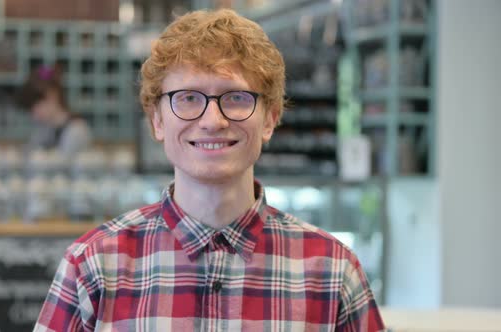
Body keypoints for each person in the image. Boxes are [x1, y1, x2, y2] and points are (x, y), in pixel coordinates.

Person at [34, 9, 385, 331]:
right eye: (188, 98)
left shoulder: (332, 273)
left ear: (271, 118)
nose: (213, 121)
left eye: (236, 97)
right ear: (157, 119)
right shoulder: (93, 268)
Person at [18, 65, 91, 158]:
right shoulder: (46, 128)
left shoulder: (76, 130)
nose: (34, 115)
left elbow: (63, 164)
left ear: (52, 95)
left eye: (35, 107)